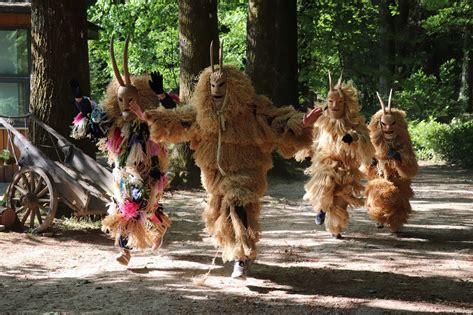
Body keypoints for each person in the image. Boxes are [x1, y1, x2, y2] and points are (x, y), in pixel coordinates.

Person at [138, 41, 319, 278]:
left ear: (233, 87)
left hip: (247, 168)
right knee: (220, 213)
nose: (216, 89)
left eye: (221, 85)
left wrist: (302, 122)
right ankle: (237, 253)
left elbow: (277, 122)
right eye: (212, 85)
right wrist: (150, 117)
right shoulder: (201, 113)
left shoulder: (252, 110)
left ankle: (242, 255)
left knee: (238, 202)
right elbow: (179, 120)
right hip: (214, 173)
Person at [69, 36, 175, 265]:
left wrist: (161, 95)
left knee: (148, 206)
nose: (125, 104)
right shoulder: (113, 121)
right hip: (123, 173)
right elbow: (92, 117)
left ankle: (159, 227)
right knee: (125, 207)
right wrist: (79, 99)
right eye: (120, 100)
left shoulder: (151, 119)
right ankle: (124, 250)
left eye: (130, 99)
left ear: (139, 99)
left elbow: (172, 116)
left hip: (150, 171)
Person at [297, 72, 374, 239]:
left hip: (347, 167)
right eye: (331, 101)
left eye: (339, 102)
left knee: (341, 200)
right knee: (323, 185)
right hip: (325, 161)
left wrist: (353, 137)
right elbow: (309, 134)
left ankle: (335, 229)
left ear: (345, 103)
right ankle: (321, 209)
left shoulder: (354, 121)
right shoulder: (321, 119)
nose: (334, 105)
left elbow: (365, 138)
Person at [365, 90, 418, 233]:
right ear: (379, 125)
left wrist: (399, 159)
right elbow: (366, 158)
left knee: (399, 199)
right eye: (384, 125)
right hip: (380, 176)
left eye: (392, 124)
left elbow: (410, 164)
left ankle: (396, 222)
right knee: (378, 195)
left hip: (398, 177)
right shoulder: (374, 140)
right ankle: (380, 217)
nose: (388, 128)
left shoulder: (403, 141)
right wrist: (373, 162)